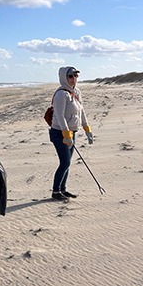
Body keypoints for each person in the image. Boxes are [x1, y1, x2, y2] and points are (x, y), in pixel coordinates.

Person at [49, 66, 93, 200]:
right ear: (64, 77)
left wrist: (87, 129)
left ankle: (63, 189)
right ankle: (55, 192)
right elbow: (60, 116)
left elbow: (82, 112)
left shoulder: (77, 92)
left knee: (67, 162)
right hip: (59, 133)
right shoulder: (61, 94)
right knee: (65, 162)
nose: (74, 79)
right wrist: (66, 134)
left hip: (72, 133)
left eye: (76, 76)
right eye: (70, 76)